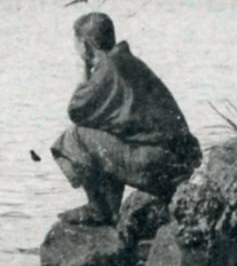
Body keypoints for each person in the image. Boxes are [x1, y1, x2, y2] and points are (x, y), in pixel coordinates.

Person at [52, 12, 201, 226]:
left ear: (85, 46)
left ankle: (99, 209)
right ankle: (110, 209)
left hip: (159, 165)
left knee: (74, 136)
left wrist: (83, 71)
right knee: (106, 132)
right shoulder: (128, 61)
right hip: (178, 164)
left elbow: (77, 112)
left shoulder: (107, 69)